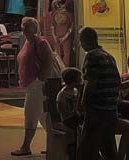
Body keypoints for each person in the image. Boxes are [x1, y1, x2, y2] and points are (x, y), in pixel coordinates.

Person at [12, 17, 59, 156]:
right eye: (23, 26)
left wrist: (40, 80)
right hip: (31, 83)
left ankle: (26, 146)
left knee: (31, 114)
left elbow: (48, 63)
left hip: (37, 85)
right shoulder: (28, 42)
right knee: (43, 116)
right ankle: (54, 144)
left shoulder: (41, 43)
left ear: (35, 28)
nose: (24, 29)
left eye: (27, 27)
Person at [78, 26, 120, 160]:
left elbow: (91, 82)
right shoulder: (110, 57)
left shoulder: (91, 56)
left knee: (87, 148)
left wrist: (83, 102)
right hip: (111, 109)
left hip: (97, 109)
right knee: (108, 147)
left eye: (81, 40)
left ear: (86, 40)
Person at [58, 67, 84, 160]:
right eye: (80, 79)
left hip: (74, 116)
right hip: (68, 119)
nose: (82, 81)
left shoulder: (74, 91)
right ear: (73, 82)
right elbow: (69, 111)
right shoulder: (64, 94)